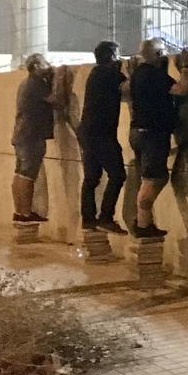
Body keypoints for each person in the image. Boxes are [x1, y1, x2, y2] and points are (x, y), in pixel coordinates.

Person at [128, 38, 188, 238]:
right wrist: (185, 68)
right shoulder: (154, 75)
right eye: (163, 52)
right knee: (153, 179)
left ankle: (143, 220)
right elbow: (182, 89)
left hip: (138, 132)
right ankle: (142, 224)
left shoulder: (138, 74)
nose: (166, 55)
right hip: (153, 134)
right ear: (157, 55)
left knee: (154, 176)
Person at [77, 40, 129, 234]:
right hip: (102, 133)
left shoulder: (95, 73)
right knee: (118, 175)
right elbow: (129, 89)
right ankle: (106, 217)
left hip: (87, 132)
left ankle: (88, 219)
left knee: (92, 177)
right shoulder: (111, 74)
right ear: (112, 56)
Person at [10, 53, 60, 223]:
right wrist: (55, 79)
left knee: (20, 174)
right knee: (28, 175)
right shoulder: (36, 84)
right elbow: (56, 100)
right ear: (37, 67)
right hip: (32, 136)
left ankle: (20, 212)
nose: (49, 66)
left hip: (22, 135)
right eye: (46, 64)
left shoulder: (25, 83)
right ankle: (25, 213)